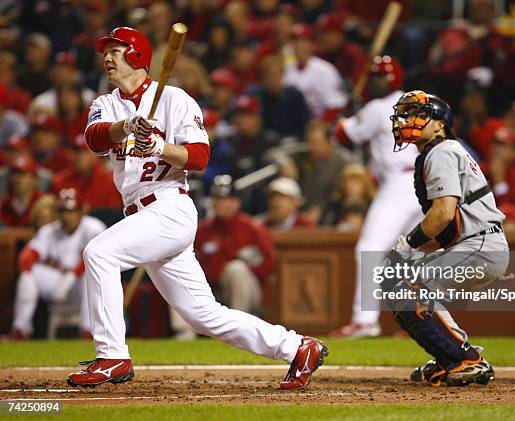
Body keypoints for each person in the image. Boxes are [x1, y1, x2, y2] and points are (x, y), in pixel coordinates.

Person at [66, 27, 327, 390]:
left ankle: (112, 356)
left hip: (169, 206)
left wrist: (159, 147)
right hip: (141, 216)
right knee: (203, 315)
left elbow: (200, 157)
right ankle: (297, 347)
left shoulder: (173, 98)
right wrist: (129, 127)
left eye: (116, 50)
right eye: (105, 52)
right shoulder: (105, 103)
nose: (107, 58)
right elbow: (93, 139)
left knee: (99, 252)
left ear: (137, 55)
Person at [385, 90, 509, 387]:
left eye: (418, 114)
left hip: (480, 245)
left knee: (406, 286)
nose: (408, 119)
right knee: (400, 284)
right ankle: (452, 354)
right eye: (406, 113)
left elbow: (442, 213)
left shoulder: (441, 151)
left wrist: (406, 246)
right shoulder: (441, 151)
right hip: (476, 243)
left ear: (439, 124)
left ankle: (464, 359)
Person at [330, 56, 421, 338]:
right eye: (373, 77)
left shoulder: (379, 107)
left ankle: (365, 320)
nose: (375, 82)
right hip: (424, 182)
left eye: (380, 77)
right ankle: (423, 322)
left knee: (369, 248)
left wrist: (348, 112)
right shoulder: (416, 103)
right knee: (412, 255)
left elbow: (346, 134)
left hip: (398, 183)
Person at [10, 188, 105, 339]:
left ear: (81, 211)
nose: (66, 216)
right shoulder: (50, 231)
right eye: (62, 211)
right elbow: (26, 257)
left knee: (92, 273)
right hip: (60, 285)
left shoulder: (93, 227)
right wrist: (27, 274)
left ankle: (88, 331)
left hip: (84, 286)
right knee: (30, 272)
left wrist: (72, 275)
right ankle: (21, 329)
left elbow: (97, 260)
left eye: (70, 211)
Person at [195, 175, 276, 313]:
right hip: (213, 289)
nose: (219, 203)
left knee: (236, 269)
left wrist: (249, 271)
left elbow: (270, 262)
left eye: (225, 199)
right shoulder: (203, 229)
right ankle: (183, 332)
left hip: (249, 290)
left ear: (236, 202)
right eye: (217, 198)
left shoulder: (252, 227)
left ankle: (239, 325)